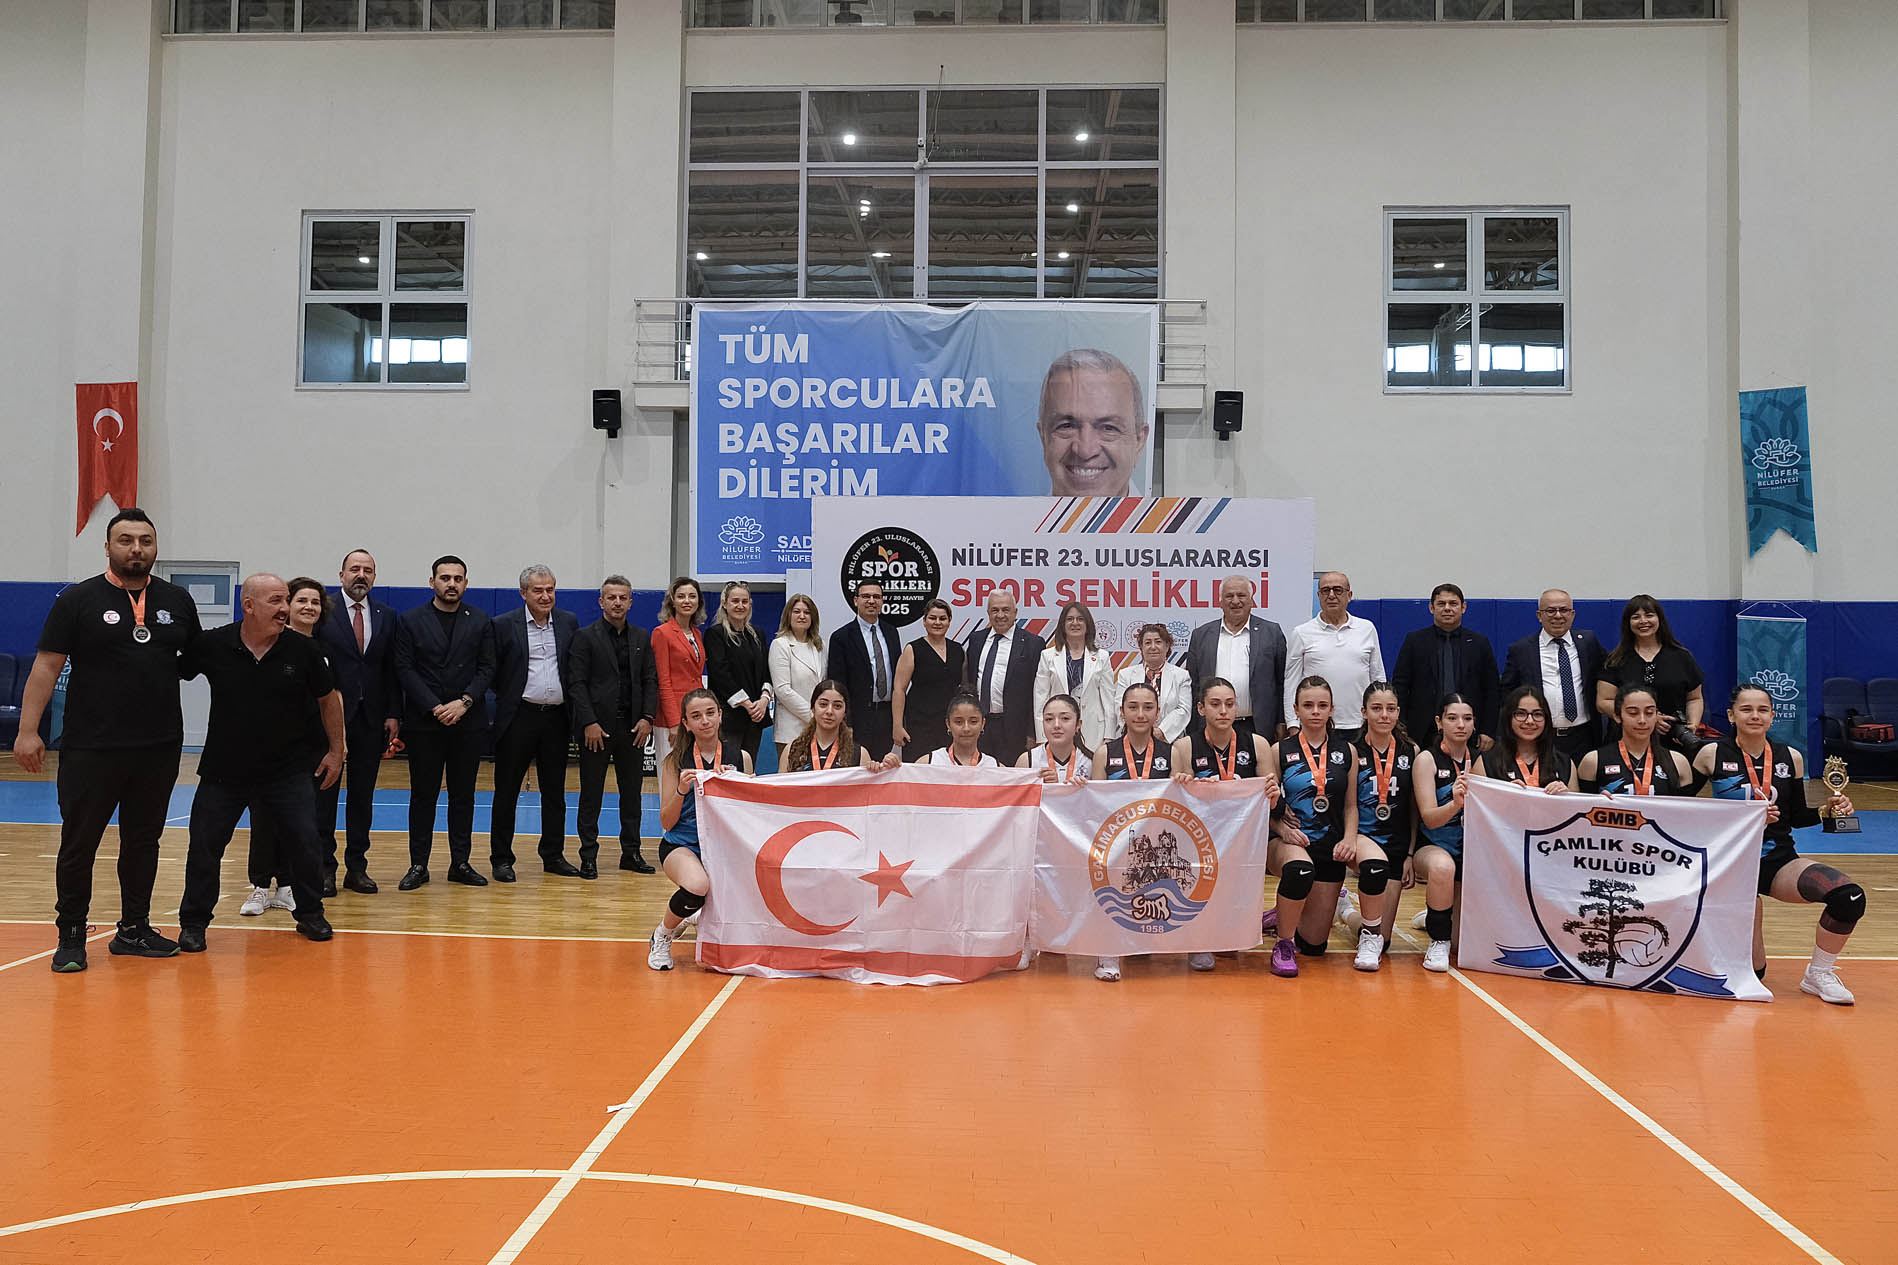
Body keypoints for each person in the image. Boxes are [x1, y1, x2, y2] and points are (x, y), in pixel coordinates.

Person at [20, 508, 203, 972]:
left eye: (145, 541)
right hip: (91, 747)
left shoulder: (178, 601)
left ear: (155, 548)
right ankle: (71, 936)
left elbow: (197, 660)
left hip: (158, 747)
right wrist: (28, 730)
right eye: (125, 540)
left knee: (143, 842)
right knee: (79, 843)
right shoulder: (78, 600)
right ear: (107, 547)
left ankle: (133, 930)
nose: (136, 549)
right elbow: (46, 666)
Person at [176, 574, 342, 953]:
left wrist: (336, 751)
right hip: (223, 771)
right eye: (275, 601)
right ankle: (194, 923)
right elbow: (173, 670)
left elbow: (328, 700)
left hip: (287, 771)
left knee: (305, 843)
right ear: (248, 605)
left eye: (286, 600)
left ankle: (311, 914)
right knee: (204, 847)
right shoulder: (214, 644)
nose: (285, 609)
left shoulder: (303, 650)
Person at [1695, 684, 1867, 1004]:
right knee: (1754, 973)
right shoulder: (1712, 754)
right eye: (1746, 709)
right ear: (1731, 715)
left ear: (1773, 716)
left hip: (1777, 861)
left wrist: (1828, 811)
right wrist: (1740, 818)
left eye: (1763, 709)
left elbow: (1797, 817)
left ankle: (1818, 974)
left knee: (1849, 896)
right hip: (1728, 864)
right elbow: (1680, 807)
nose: (1755, 715)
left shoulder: (1791, 757)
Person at [1264, 677, 1388, 976]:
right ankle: (1283, 943)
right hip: (1291, 841)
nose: (1315, 711)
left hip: (1330, 846)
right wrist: (1283, 830)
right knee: (1299, 871)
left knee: (1314, 946)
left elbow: (1350, 806)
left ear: (1332, 709)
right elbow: (1264, 804)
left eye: (1322, 705)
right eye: (1308, 705)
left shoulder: (1347, 751)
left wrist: (1349, 838)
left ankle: (1288, 912)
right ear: (1296, 709)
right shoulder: (1279, 750)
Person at [391, 555, 495, 891]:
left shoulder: (480, 620)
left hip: (467, 721)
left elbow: (487, 668)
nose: (451, 584)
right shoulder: (410, 620)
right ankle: (418, 864)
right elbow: (404, 669)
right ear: (432, 582)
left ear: (466, 583)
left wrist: (464, 702)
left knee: (463, 796)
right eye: (445, 578)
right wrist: (435, 706)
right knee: (424, 795)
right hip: (426, 722)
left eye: (458, 578)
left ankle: (460, 863)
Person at [1170, 677, 1277, 973]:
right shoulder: (1184, 747)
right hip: (1200, 838)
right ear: (1201, 708)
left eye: (1230, 704)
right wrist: (1181, 783)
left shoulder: (1257, 744)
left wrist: (1272, 793)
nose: (1223, 711)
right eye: (1215, 704)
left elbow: (1271, 801)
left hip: (1243, 836)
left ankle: (1234, 927)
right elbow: (1179, 805)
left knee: (1231, 947)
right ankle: (1199, 939)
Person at [239, 577, 332, 919]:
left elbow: (332, 700)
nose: (308, 607)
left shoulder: (323, 650)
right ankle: (260, 885)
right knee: (264, 818)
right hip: (268, 751)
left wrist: (337, 746)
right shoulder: (269, 645)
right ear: (287, 607)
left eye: (315, 602)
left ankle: (288, 886)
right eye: (301, 601)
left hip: (311, 750)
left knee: (303, 823)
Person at [647, 687, 754, 971]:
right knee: (697, 886)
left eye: (710, 713)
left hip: (724, 845)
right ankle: (662, 935)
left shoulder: (740, 757)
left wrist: (742, 784)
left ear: (720, 715)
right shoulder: (674, 762)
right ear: (686, 723)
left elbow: (750, 814)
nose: (704, 720)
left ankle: (694, 915)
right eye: (696, 716)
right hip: (682, 845)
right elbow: (666, 822)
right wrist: (682, 790)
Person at [314, 548, 399, 895]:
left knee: (362, 798)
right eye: (354, 569)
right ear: (341, 575)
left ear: (374, 577)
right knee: (325, 797)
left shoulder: (387, 615)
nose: (361, 575)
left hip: (371, 719)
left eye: (368, 570)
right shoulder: (323, 611)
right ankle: (324, 869)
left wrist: (393, 713)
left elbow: (391, 669)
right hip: (329, 718)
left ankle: (357, 868)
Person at [489, 565, 580, 881]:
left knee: (555, 792)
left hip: (556, 718)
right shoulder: (503, 625)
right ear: (523, 593)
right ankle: (502, 859)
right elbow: (493, 672)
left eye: (550, 589)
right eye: (538, 590)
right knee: (507, 792)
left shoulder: (568, 622)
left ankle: (553, 855)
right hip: (519, 717)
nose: (545, 596)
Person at [569, 575, 659, 874]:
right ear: (601, 601)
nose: (617, 602)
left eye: (623, 597)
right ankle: (588, 856)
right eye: (611, 597)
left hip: (633, 728)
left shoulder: (641, 637)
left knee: (632, 794)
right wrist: (589, 722)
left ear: (631, 602)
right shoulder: (585, 637)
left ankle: (631, 853)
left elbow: (650, 680)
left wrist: (647, 718)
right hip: (596, 729)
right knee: (591, 793)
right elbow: (577, 684)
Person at [1089, 680, 1173, 983]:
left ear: (1157, 712)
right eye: (1133, 707)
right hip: (1116, 840)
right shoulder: (1105, 753)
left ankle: (1192, 944)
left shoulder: (1171, 752)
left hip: (1156, 838)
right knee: (1110, 876)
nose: (1140, 714)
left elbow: (1184, 800)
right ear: (1122, 712)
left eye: (1148, 707)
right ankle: (1108, 951)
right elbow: (1094, 803)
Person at [1411, 693, 1479, 973]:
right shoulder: (1427, 760)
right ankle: (1437, 940)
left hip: (1470, 851)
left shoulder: (1482, 761)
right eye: (1452, 718)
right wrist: (1455, 804)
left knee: (1462, 946)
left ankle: (1435, 912)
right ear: (1439, 722)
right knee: (1442, 867)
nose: (1460, 724)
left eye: (1467, 718)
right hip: (1432, 847)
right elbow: (1430, 818)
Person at [1353, 682, 1418, 965]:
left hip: (1395, 845)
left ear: (1398, 712)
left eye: (1390, 709)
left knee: (1383, 939)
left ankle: (1346, 912)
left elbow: (1414, 809)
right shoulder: (1352, 751)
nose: (1384, 715)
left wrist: (1410, 854)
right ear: (1364, 712)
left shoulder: (1411, 751)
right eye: (1376, 708)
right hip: (1361, 840)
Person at [1500, 588, 1604, 764]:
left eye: (1564, 610)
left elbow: (1607, 673)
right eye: (1550, 610)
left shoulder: (1588, 642)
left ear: (1572, 614)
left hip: (1584, 736)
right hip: (1541, 738)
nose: (1558, 615)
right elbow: (1507, 693)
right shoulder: (1522, 649)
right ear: (1539, 615)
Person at [1391, 583, 1499, 749]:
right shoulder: (1415, 641)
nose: (1447, 608)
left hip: (1469, 730)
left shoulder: (1479, 643)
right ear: (1431, 607)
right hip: (1421, 731)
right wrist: (1402, 729)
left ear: (1463, 607)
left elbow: (1492, 690)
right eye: (1441, 604)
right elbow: (1400, 686)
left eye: (1453, 603)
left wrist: (1488, 730)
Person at [1282, 572, 1385, 745]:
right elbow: (1291, 682)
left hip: (1361, 724)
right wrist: (1293, 723)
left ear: (1349, 595)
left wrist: (1379, 715)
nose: (1331, 595)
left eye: (1338, 590)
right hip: (1317, 725)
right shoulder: (1301, 633)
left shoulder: (1367, 629)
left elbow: (1378, 677)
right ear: (1318, 595)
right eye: (1325, 590)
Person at [1185, 575, 1288, 744]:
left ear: (1251, 600)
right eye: (1229, 596)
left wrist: (1281, 721)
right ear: (1220, 602)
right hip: (1211, 726)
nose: (1235, 601)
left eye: (1241, 595)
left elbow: (1281, 682)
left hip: (1257, 726)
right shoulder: (1201, 635)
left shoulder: (1271, 633)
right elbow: (1194, 684)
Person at [1036, 348, 1149, 498]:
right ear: (1043, 438)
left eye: (1108, 428)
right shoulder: (1012, 514)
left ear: (1139, 441)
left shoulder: (1173, 515)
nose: (1085, 451)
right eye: (1067, 426)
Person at [1595, 594, 1704, 747]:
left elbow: (1694, 698)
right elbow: (1603, 702)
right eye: (1636, 617)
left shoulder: (1682, 657)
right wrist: (1647, 718)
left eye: (1649, 615)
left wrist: (1692, 725)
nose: (1643, 621)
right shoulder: (1615, 659)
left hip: (1672, 741)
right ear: (1628, 623)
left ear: (1659, 619)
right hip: (1625, 741)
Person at [964, 589, 1045, 766]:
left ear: (1015, 612)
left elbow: (1038, 692)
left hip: (1014, 730)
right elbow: (970, 680)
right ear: (988, 613)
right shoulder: (976, 640)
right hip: (979, 726)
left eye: (1005, 610)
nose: (1000, 615)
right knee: (979, 776)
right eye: (995, 610)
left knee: (1011, 777)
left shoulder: (1033, 644)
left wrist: (1033, 733)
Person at [826, 578, 903, 760]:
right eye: (866, 596)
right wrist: (846, 722)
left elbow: (898, 677)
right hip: (857, 719)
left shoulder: (892, 632)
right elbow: (838, 684)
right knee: (856, 766)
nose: (871, 601)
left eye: (876, 597)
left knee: (882, 768)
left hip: (886, 716)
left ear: (882, 601)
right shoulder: (841, 637)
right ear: (856, 600)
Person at [1575, 685, 1694, 797]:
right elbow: (1581, 808)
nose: (1642, 720)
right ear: (1617, 716)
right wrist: (1598, 803)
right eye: (1633, 713)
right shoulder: (1593, 761)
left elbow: (1686, 810)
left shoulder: (1678, 762)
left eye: (1649, 713)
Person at [1032, 602, 1114, 753]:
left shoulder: (1102, 657)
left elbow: (1109, 700)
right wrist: (1042, 737)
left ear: (1088, 624)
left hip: (1094, 731)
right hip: (1058, 728)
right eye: (1070, 619)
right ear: (1062, 625)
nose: (1075, 623)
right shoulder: (1047, 656)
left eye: (1080, 619)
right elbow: (1040, 698)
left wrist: (1109, 736)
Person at [704, 581, 772, 764]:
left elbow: (766, 671)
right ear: (724, 603)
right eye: (735, 601)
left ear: (750, 604)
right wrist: (747, 704)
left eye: (744, 601)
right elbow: (721, 675)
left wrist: (764, 700)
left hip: (756, 717)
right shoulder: (715, 634)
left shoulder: (758, 634)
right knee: (730, 768)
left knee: (749, 768)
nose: (740, 606)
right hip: (729, 718)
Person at [891, 597, 964, 761]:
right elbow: (899, 689)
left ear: (949, 621)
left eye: (942, 618)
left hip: (949, 726)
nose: (937, 622)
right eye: (932, 618)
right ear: (924, 621)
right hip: (919, 725)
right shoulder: (913, 649)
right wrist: (897, 725)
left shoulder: (958, 650)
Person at [780, 679, 902, 773]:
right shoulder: (792, 750)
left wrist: (883, 770)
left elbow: (868, 794)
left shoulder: (860, 754)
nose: (829, 711)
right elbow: (779, 793)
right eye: (823, 704)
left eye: (837, 706)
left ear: (845, 712)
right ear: (813, 708)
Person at [652, 576, 708, 768]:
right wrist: (674, 722)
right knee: (670, 772)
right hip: (672, 717)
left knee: (692, 773)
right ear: (672, 601)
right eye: (681, 596)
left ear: (699, 601)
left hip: (695, 714)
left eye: (692, 596)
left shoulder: (697, 633)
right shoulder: (662, 633)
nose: (687, 601)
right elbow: (663, 681)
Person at [1477, 685, 1572, 792]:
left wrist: (1567, 795)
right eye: (1521, 714)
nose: (1530, 721)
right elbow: (1476, 801)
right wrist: (1503, 796)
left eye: (1537, 714)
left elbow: (1578, 802)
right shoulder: (1486, 762)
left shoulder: (1565, 763)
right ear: (1508, 717)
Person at [767, 593, 825, 765]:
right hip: (791, 729)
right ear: (788, 615)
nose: (802, 616)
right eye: (797, 611)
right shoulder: (780, 645)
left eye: (807, 612)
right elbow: (783, 690)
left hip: (819, 729)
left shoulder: (819, 645)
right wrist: (813, 716)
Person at [1110, 623, 1191, 743]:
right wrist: (1139, 731)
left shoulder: (1181, 676)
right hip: (1134, 739)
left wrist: (1161, 732)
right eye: (1147, 643)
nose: (1153, 647)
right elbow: (1120, 707)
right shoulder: (1126, 675)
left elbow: (1183, 710)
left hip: (1170, 741)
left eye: (1158, 642)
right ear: (1141, 647)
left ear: (1167, 646)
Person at [1018, 694, 1091, 784]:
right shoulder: (1027, 760)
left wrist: (1081, 790)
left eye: (1065, 718)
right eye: (1049, 719)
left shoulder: (1091, 762)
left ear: (1078, 724)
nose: (1056, 725)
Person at [918, 691, 1000, 767]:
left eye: (973, 721)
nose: (966, 728)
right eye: (959, 722)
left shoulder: (995, 768)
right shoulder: (927, 764)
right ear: (948, 724)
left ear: (982, 724)